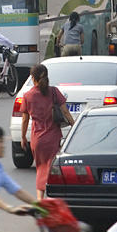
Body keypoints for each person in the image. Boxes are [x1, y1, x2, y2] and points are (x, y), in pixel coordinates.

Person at [20, 64, 74, 200]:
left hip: (37, 139)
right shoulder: (54, 92)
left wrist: (23, 138)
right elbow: (65, 112)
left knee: (41, 168)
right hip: (53, 137)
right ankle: (56, 198)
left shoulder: (27, 96)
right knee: (53, 169)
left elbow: (25, 120)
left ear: (33, 78)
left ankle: (40, 199)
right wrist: (75, 126)